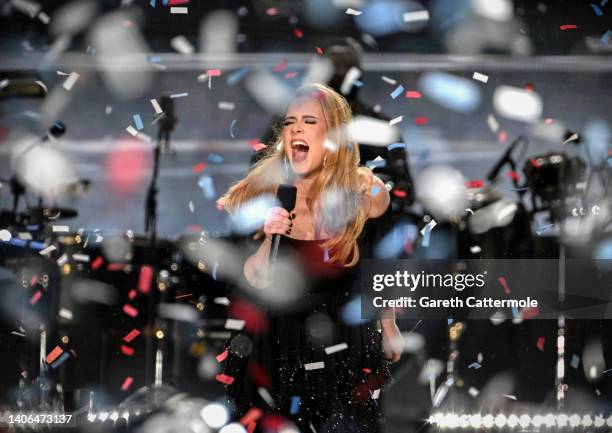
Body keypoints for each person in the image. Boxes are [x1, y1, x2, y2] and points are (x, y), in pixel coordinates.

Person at [217, 83, 403, 433]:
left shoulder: (358, 190)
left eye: (309, 122)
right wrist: (268, 235)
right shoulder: (262, 191)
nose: (296, 130)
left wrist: (389, 325)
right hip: (277, 339)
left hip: (344, 340)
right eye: (290, 123)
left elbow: (380, 263)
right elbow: (249, 280)